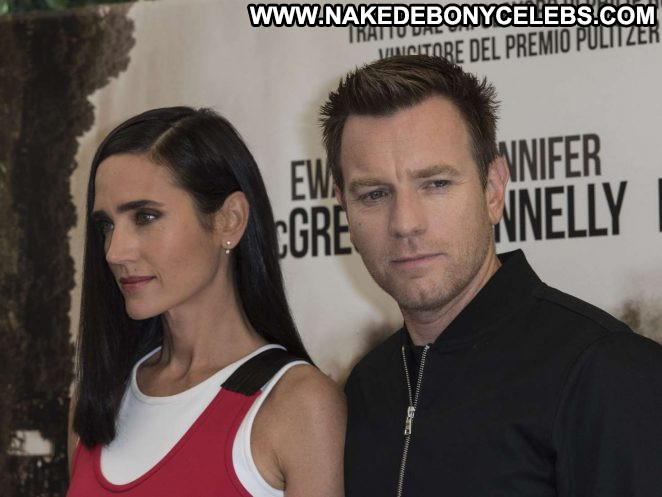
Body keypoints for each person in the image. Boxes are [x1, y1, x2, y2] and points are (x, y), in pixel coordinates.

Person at [320, 55, 662, 497]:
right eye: (374, 194)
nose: (405, 223)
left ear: (494, 188)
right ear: (344, 209)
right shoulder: (365, 388)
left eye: (436, 183)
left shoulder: (605, 373)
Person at [67, 107, 345, 497]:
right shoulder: (97, 399)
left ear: (229, 220)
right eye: (106, 225)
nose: (115, 251)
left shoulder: (297, 405)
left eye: (145, 217)